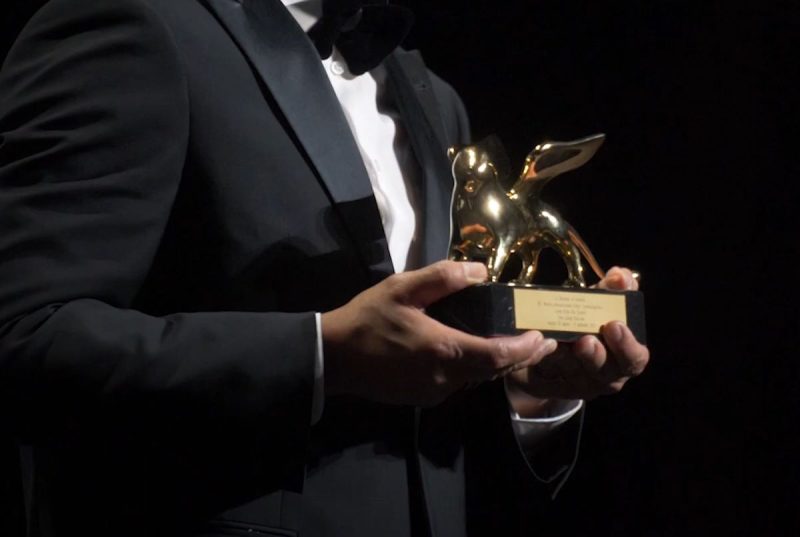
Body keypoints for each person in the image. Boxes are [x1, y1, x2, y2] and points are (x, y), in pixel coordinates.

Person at [0, 0, 649, 535]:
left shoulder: (432, 96)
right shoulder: (133, 24)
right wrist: (322, 354)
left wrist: (533, 385)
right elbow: (24, 336)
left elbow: (419, 397)